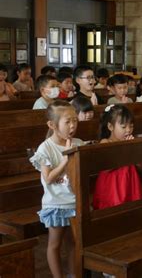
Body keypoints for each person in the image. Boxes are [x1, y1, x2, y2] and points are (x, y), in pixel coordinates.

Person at [29, 100, 84, 278]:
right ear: (52, 125)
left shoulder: (78, 142)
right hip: (57, 204)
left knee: (73, 243)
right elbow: (49, 177)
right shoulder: (46, 148)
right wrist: (65, 159)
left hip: (75, 202)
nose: (72, 125)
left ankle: (72, 274)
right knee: (55, 244)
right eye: (67, 121)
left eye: (75, 120)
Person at [92, 105, 142, 210]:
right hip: (112, 186)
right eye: (123, 127)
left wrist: (132, 148)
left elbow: (140, 167)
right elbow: (107, 168)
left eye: (131, 126)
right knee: (112, 210)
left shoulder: (131, 142)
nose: (128, 130)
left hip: (129, 183)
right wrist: (125, 148)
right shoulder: (105, 142)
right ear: (110, 127)